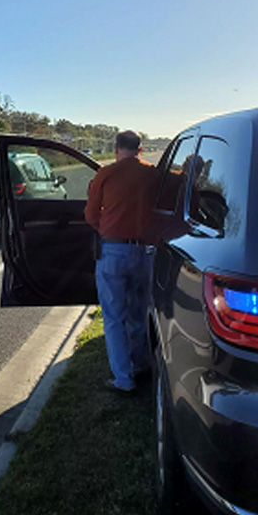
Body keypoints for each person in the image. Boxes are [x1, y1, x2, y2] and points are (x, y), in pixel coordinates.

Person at [85, 130, 159, 393]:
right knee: (138, 312)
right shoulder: (152, 173)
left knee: (114, 317)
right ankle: (140, 364)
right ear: (140, 149)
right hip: (145, 252)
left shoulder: (105, 174)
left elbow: (91, 215)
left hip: (113, 252)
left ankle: (123, 379)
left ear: (116, 148)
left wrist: (107, 228)